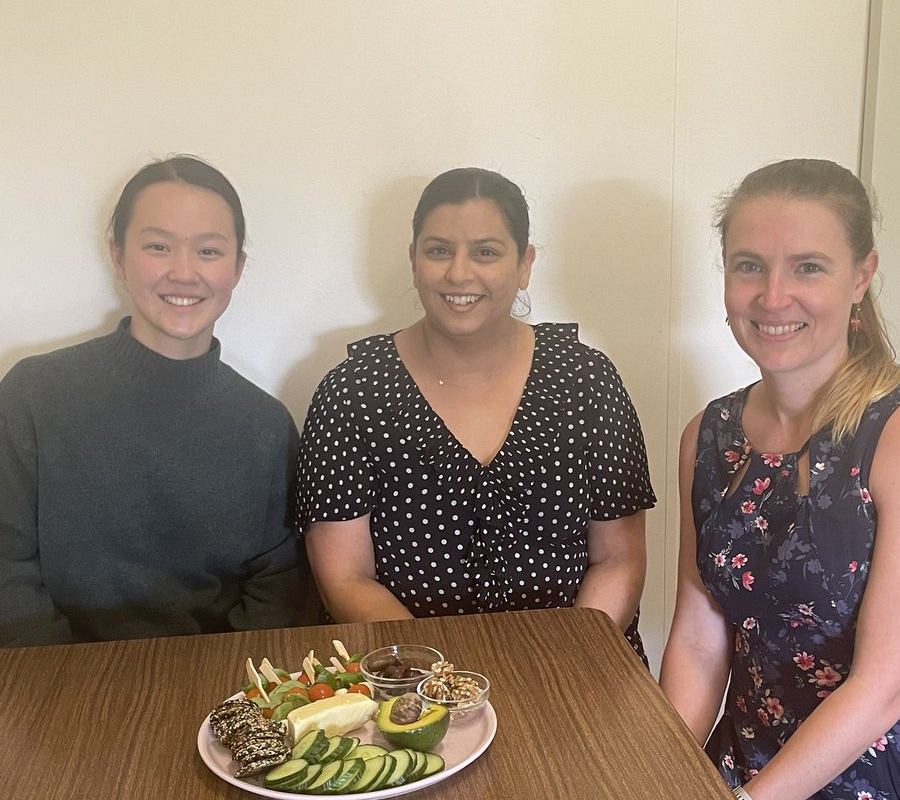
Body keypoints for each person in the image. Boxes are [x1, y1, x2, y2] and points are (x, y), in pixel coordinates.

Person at [659, 159, 900, 800]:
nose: (772, 296)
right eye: (748, 265)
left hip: (874, 789)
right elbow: (696, 636)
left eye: (808, 267)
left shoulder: (892, 433)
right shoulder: (707, 434)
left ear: (864, 274)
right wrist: (669, 787)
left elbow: (882, 690)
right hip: (742, 762)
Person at [296, 166, 655, 658]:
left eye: (485, 252)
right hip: (409, 681)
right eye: (439, 250)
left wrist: (570, 664)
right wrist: (445, 684)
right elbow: (344, 577)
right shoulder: (352, 392)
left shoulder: (587, 380)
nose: (459, 273)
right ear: (413, 260)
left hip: (579, 666)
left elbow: (619, 557)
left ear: (524, 264)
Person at [0, 155, 314, 646]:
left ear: (237, 268)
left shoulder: (264, 425)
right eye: (159, 246)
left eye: (208, 251)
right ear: (119, 256)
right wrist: (64, 681)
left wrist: (222, 687)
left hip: (218, 691)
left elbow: (281, 585)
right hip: (53, 682)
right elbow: (7, 567)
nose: (184, 272)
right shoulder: (34, 394)